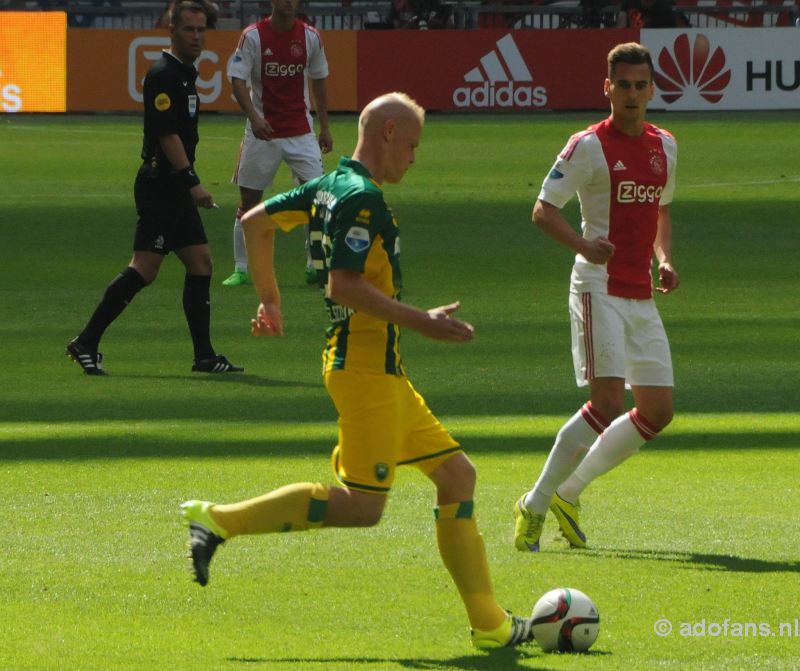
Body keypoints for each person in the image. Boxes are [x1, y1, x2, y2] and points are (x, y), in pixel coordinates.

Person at [182, 93, 534, 649]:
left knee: (457, 476)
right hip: (366, 370)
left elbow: (254, 223)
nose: (414, 158)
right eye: (413, 145)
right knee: (363, 507)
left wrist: (271, 301)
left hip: (377, 370)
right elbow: (342, 285)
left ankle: (490, 624)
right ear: (388, 132)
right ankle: (218, 520)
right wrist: (422, 321)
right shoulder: (361, 197)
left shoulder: (327, 185)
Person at [514, 43, 679, 552]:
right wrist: (585, 245)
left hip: (639, 294)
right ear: (607, 88)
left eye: (640, 85)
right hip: (598, 286)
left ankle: (569, 492)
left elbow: (662, 212)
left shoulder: (666, 146)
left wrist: (664, 259)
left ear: (652, 90)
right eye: (622, 85)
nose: (632, 95)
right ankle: (535, 504)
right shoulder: (587, 146)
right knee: (606, 401)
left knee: (657, 410)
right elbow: (544, 211)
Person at [66, 0, 242, 376]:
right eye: (189, 30)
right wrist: (193, 183)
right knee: (145, 268)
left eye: (201, 30)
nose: (196, 36)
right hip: (162, 184)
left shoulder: (183, 74)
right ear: (172, 31)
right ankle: (86, 341)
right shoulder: (164, 75)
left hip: (174, 186)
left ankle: (205, 357)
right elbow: (166, 134)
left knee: (201, 263)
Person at [221, 0, 332, 288]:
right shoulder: (253, 36)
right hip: (263, 134)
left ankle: (315, 265)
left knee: (318, 201)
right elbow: (237, 80)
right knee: (249, 202)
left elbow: (319, 80)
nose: (288, 2)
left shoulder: (310, 37)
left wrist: (324, 128)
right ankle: (241, 269)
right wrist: (255, 118)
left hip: (301, 132)